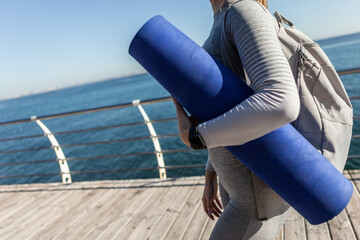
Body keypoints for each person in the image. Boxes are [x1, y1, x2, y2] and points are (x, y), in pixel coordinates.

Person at [172, 0, 301, 239]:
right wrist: (211, 173)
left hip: (255, 203)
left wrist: (197, 137)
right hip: (238, 189)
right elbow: (229, 106)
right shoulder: (222, 18)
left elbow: (281, 102)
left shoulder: (244, 11)